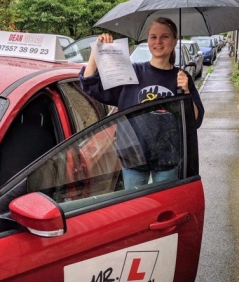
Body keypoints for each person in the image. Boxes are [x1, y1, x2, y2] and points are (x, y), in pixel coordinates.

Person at [79, 17, 204, 189]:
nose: (158, 41)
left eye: (165, 36)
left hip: (168, 158)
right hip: (133, 155)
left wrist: (187, 93)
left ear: (175, 41)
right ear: (148, 39)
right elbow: (90, 84)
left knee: (163, 209)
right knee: (136, 210)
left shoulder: (182, 78)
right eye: (153, 37)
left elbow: (195, 120)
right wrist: (97, 51)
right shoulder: (132, 72)